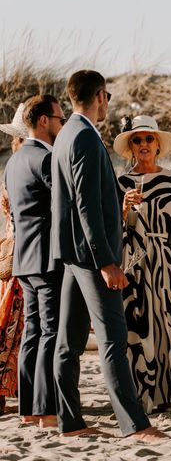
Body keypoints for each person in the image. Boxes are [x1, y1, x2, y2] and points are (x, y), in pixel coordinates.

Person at [51, 70, 163, 440]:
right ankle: (135, 425)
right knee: (113, 339)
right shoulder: (83, 136)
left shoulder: (65, 134)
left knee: (68, 342)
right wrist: (107, 262)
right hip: (91, 257)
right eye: (108, 96)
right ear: (100, 95)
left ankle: (70, 422)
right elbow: (86, 206)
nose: (107, 103)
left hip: (71, 254)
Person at [113, 115, 171, 414]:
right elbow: (111, 228)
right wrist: (123, 208)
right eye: (137, 140)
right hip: (137, 263)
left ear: (158, 144)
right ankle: (143, 396)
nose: (143, 144)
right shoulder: (121, 183)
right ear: (131, 146)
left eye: (149, 139)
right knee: (141, 329)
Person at [4, 95, 65, 429]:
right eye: (59, 118)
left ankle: (27, 409)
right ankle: (46, 411)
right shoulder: (45, 159)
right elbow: (62, 207)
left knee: (33, 331)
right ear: (43, 120)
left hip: (23, 261)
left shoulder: (13, 162)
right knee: (50, 332)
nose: (61, 124)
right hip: (46, 259)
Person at [0, 104, 28, 416]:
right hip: (22, 253)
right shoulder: (24, 165)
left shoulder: (12, 165)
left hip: (12, 251)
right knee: (16, 325)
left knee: (12, 323)